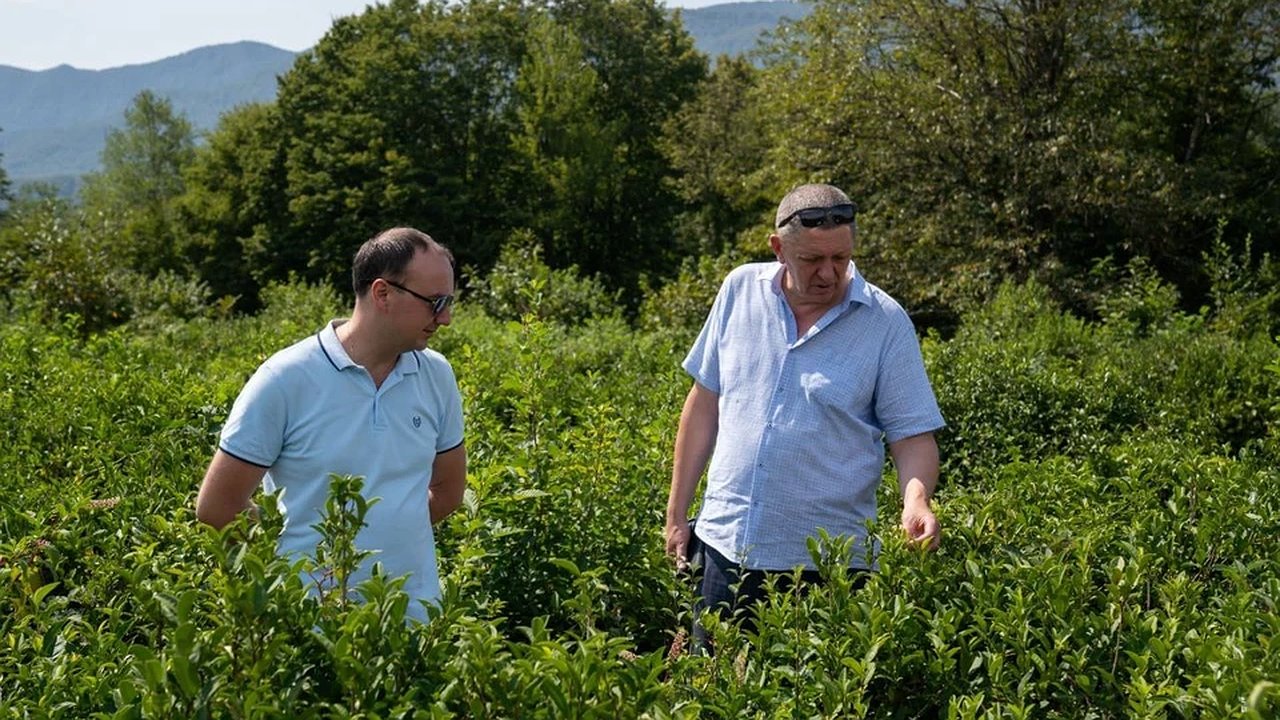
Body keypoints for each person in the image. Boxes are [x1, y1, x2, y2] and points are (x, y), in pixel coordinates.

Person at [664, 183, 944, 644]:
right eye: (813, 260)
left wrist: (916, 500)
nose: (829, 274)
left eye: (841, 258)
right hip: (724, 546)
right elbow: (702, 407)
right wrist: (677, 514)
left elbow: (912, 436)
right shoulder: (739, 290)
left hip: (830, 566)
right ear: (778, 249)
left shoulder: (885, 321)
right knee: (711, 692)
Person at [196, 226, 467, 623]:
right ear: (382, 293)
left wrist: (385, 530)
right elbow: (217, 506)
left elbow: (447, 492)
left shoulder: (436, 376)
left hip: (414, 623)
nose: (445, 318)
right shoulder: (285, 379)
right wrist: (289, 562)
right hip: (311, 626)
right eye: (435, 302)